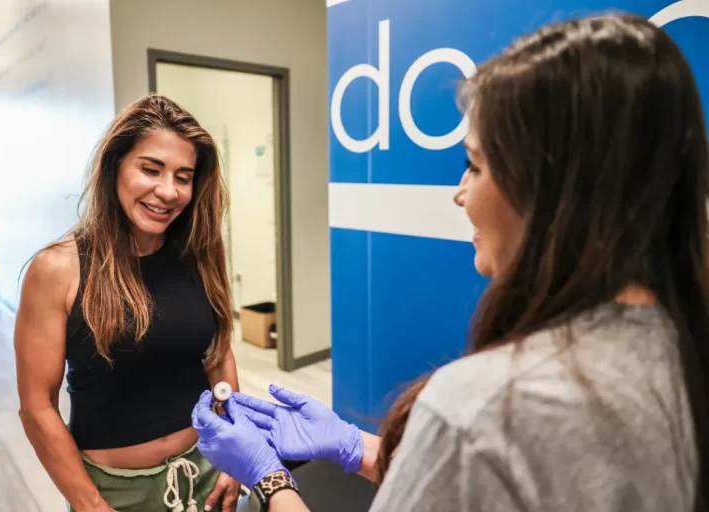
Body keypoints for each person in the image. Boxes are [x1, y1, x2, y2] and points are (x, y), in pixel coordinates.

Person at [190, 13, 708, 512]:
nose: (461, 194)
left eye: (475, 165)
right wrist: (356, 446)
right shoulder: (677, 350)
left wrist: (270, 476)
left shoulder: (489, 408)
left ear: (556, 191)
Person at [15, 94, 248, 512]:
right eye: (150, 169)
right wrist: (92, 506)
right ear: (115, 166)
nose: (168, 191)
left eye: (183, 176)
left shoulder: (198, 253)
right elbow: (36, 408)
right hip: (115, 494)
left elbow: (218, 355)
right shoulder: (57, 270)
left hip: (208, 472)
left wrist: (236, 448)